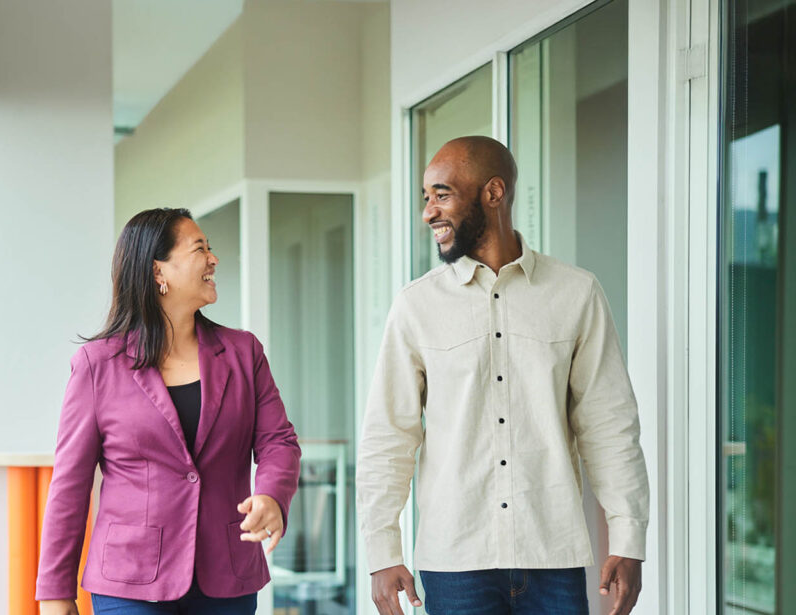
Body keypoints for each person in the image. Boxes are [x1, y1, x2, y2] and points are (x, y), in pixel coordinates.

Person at [356, 136, 649, 615]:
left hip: (552, 554)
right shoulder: (416, 306)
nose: (428, 212)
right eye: (426, 197)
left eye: (442, 194)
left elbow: (610, 423)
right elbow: (389, 435)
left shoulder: (576, 294)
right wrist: (381, 553)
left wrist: (629, 536)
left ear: (494, 193)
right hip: (455, 561)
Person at [36, 208, 301, 615]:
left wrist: (270, 494)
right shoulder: (97, 365)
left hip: (227, 576)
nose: (214, 259)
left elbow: (277, 441)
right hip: (129, 581)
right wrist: (55, 592)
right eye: (200, 249)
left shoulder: (244, 353)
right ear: (158, 271)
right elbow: (69, 485)